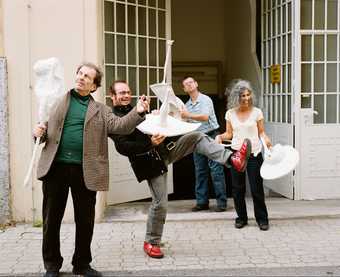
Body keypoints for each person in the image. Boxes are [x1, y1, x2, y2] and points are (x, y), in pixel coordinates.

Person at [109, 80, 251, 259]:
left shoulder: (137, 110)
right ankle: (151, 242)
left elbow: (152, 127)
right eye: (121, 93)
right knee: (160, 203)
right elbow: (123, 147)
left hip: (166, 151)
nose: (126, 95)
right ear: (112, 96)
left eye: (128, 92)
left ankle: (233, 158)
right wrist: (149, 142)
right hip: (149, 163)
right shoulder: (114, 120)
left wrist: (155, 116)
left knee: (198, 137)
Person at [33, 63, 149, 277]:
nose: (81, 78)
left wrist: (138, 112)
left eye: (87, 77)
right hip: (55, 168)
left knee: (85, 220)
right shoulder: (57, 99)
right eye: (80, 73)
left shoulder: (101, 110)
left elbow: (121, 126)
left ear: (94, 86)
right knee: (51, 219)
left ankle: (82, 264)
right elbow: (43, 130)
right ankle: (52, 265)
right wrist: (38, 131)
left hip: (86, 171)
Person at [215, 79, 272, 231]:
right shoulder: (230, 114)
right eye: (242, 96)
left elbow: (261, 132)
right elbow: (229, 133)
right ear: (236, 98)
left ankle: (262, 219)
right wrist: (220, 137)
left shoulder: (257, 112)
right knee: (237, 188)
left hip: (254, 153)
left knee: (256, 188)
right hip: (237, 154)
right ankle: (241, 218)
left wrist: (266, 140)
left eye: (248, 95)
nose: (246, 98)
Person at [180, 76, 227, 212]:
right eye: (186, 84)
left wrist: (187, 115)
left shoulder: (205, 99)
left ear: (196, 83)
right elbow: (185, 123)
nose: (189, 85)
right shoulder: (187, 106)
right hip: (197, 139)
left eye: (191, 82)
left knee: (216, 170)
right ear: (184, 89)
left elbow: (205, 117)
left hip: (211, 135)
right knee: (200, 171)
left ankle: (221, 203)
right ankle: (202, 202)